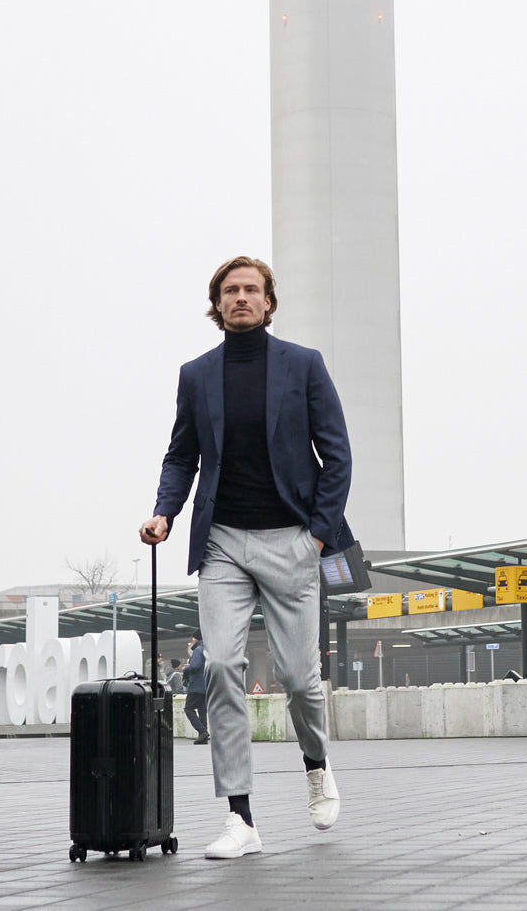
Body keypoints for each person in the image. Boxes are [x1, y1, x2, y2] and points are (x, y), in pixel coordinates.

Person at [140, 255, 353, 861]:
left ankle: (316, 765)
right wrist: (165, 512)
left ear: (268, 301)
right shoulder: (197, 374)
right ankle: (240, 818)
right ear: (217, 303)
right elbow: (181, 454)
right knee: (221, 669)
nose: (240, 298)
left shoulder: (304, 366)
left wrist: (316, 536)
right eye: (230, 290)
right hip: (223, 542)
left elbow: (337, 456)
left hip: (291, 537)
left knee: (299, 681)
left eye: (251, 290)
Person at [183, 633, 209, 745]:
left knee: (188, 709)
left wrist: (186, 668)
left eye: (193, 637)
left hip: (196, 685)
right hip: (205, 685)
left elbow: (195, 666)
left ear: (196, 638)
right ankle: (203, 737)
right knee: (202, 709)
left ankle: (202, 731)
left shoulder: (198, 650)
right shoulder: (207, 649)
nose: (192, 640)